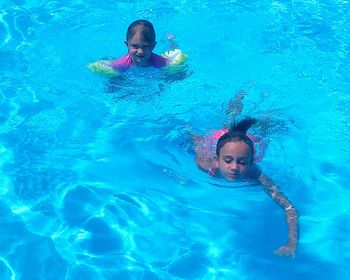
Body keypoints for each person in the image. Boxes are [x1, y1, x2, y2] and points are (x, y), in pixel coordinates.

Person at [193, 117, 299, 257]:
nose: (234, 167)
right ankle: (235, 108)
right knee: (228, 121)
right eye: (227, 161)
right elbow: (197, 141)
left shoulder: (257, 176)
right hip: (220, 139)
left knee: (263, 132)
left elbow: (289, 209)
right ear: (216, 161)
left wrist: (292, 242)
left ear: (250, 163)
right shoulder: (205, 166)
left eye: (242, 162)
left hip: (245, 142)